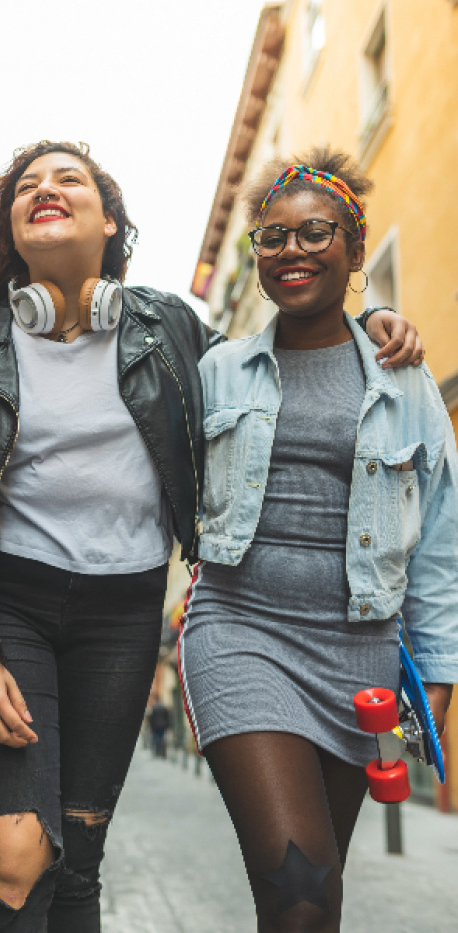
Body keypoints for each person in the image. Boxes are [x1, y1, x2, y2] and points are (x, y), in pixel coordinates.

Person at [0, 139, 421, 933]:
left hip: (123, 613)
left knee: (78, 854)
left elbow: (273, 368)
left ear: (108, 220)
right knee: (14, 851)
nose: (44, 189)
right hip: (10, 611)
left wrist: (366, 321)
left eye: (67, 178)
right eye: (25, 187)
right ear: (9, 228)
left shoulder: (169, 330)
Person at [178, 147, 458, 933]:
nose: (291, 250)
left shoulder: (405, 379)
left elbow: (439, 540)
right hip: (242, 631)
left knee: (323, 896)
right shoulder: (219, 369)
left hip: (361, 654)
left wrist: (437, 673)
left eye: (315, 233)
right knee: (296, 889)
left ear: (355, 248)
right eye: (272, 237)